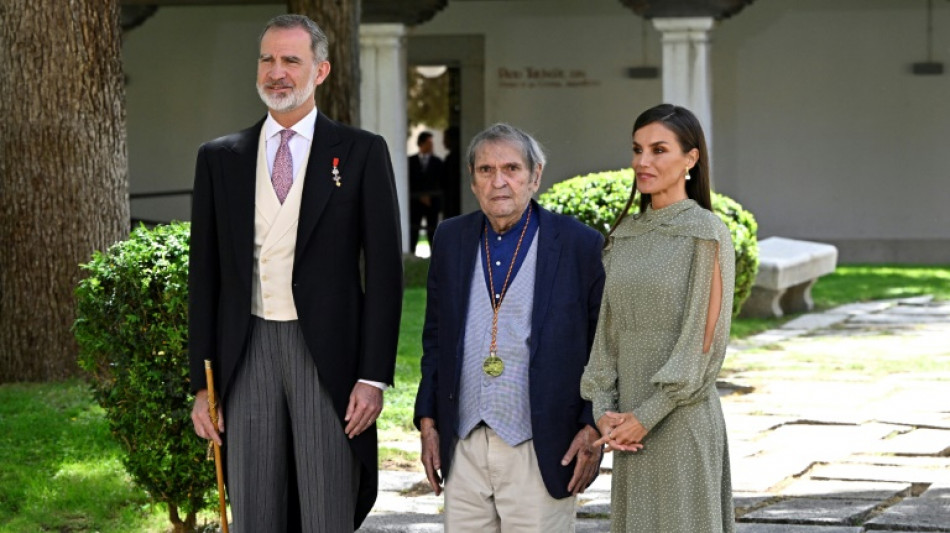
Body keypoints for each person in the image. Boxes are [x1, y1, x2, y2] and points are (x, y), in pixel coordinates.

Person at [187, 14, 403, 532]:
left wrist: (371, 377)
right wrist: (202, 384)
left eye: (291, 60)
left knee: (327, 504)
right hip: (247, 350)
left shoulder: (361, 151)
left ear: (321, 70)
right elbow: (206, 278)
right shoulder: (220, 158)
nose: (276, 72)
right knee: (254, 509)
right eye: (267, 59)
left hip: (326, 353)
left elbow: (386, 273)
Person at [414, 123, 612, 531]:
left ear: (535, 176)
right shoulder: (451, 238)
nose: (498, 181)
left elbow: (604, 346)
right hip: (463, 442)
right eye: (485, 170)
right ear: (472, 180)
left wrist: (592, 425)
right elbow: (435, 336)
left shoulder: (580, 245)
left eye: (511, 169)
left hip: (542, 445)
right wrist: (428, 421)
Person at [580, 103, 736, 532]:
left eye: (658, 150)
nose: (642, 162)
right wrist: (604, 410)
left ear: (691, 159)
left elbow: (704, 343)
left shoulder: (706, 233)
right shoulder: (625, 235)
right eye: (637, 149)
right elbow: (607, 334)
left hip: (680, 419)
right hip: (628, 426)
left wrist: (646, 417)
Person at [408, 131, 444, 253]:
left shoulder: (438, 162)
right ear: (421, 143)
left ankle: (434, 255)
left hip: (432, 203)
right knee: (413, 228)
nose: (431, 146)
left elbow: (441, 182)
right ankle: (411, 252)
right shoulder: (410, 161)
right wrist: (419, 196)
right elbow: (408, 181)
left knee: (432, 229)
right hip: (414, 203)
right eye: (429, 143)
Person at [441, 125, 463, 218]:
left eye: (446, 138)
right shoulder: (451, 157)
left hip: (454, 200)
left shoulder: (454, 158)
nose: (443, 142)